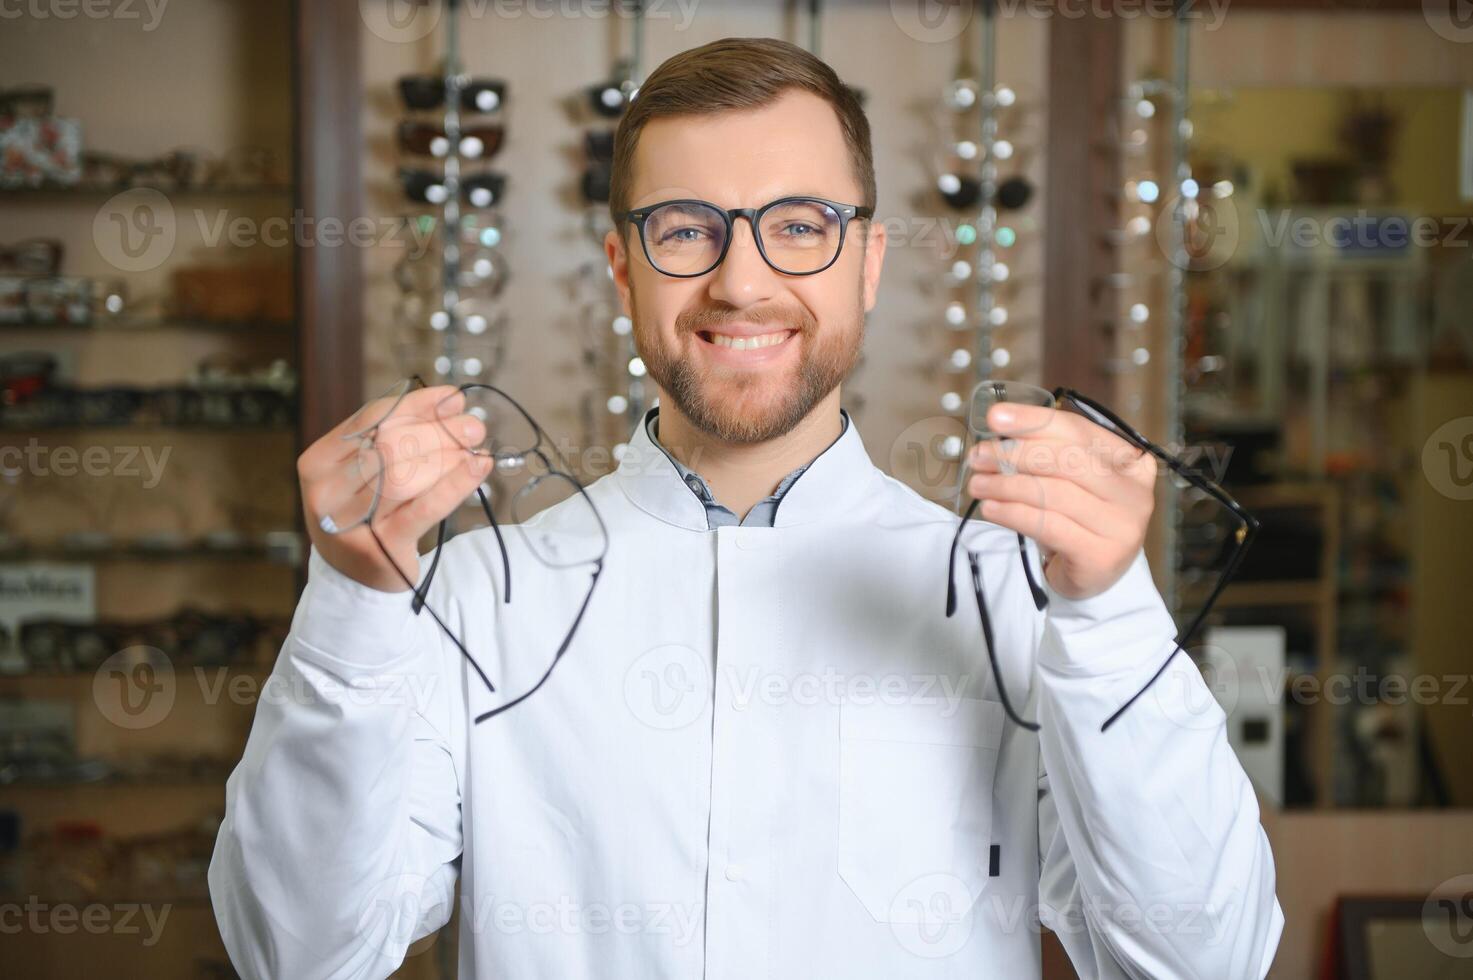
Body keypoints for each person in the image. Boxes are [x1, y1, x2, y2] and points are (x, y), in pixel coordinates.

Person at [209, 36, 1283, 979]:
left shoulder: (1018, 597)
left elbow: (1201, 958)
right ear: (624, 268)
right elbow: (294, 951)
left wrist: (1110, 617)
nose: (742, 281)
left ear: (868, 263)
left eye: (800, 225)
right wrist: (350, 603)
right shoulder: (478, 595)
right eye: (687, 229)